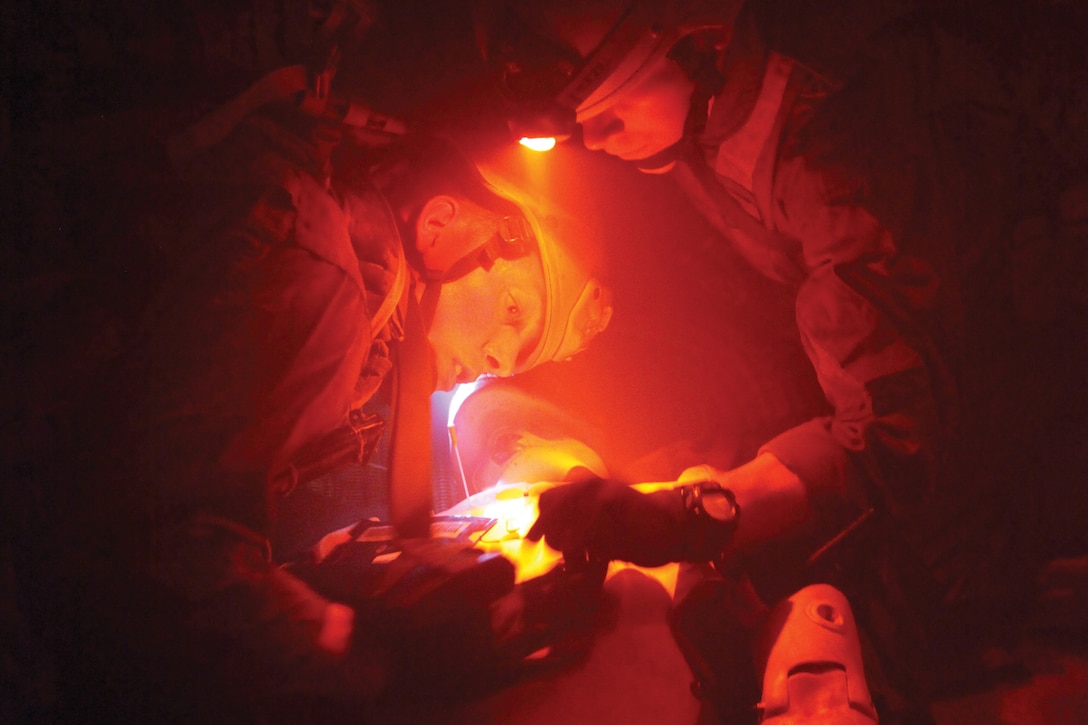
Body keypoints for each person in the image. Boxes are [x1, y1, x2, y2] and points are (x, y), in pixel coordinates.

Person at [478, 0, 1088, 719]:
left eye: (610, 102)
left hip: (1032, 429)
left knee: (898, 598)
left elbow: (893, 435)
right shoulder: (724, 112)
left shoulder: (834, 155)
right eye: (576, 117)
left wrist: (687, 518)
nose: (596, 136)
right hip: (973, 390)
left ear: (693, 33)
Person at [8, 46, 614, 719]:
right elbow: (169, 548)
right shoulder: (318, 273)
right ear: (442, 225)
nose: (499, 357)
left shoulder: (351, 311)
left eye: (519, 355)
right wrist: (369, 661)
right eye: (512, 312)